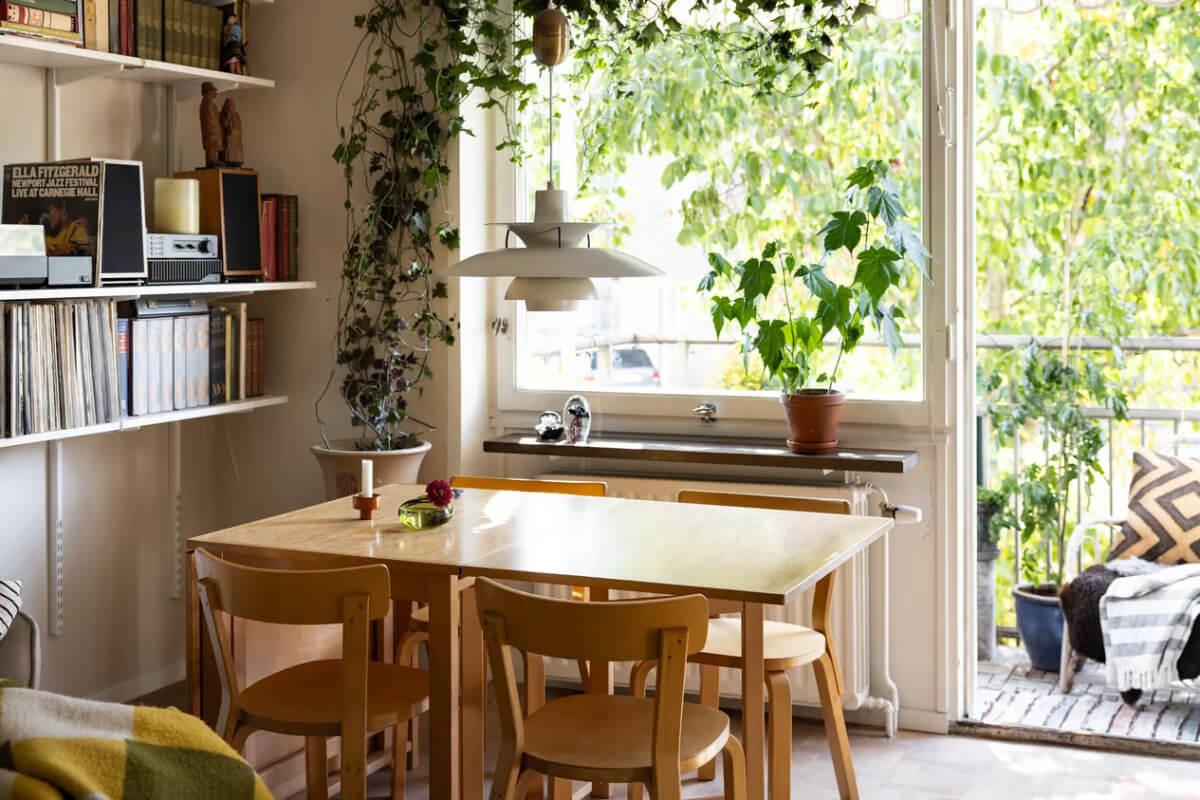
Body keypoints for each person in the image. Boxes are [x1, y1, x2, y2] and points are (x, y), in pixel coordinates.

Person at [200, 81, 223, 167]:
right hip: (211, 131)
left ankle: (212, 159)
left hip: (212, 130)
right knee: (212, 147)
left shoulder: (207, 102)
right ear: (208, 91)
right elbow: (210, 118)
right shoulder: (208, 103)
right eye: (213, 91)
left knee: (212, 147)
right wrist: (213, 130)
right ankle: (211, 160)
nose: (215, 93)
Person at [221, 99, 244, 167]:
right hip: (228, 139)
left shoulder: (236, 115)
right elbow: (224, 125)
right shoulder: (223, 115)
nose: (230, 107)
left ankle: (236, 161)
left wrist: (232, 129)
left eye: (231, 105)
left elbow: (238, 127)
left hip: (235, 139)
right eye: (228, 105)